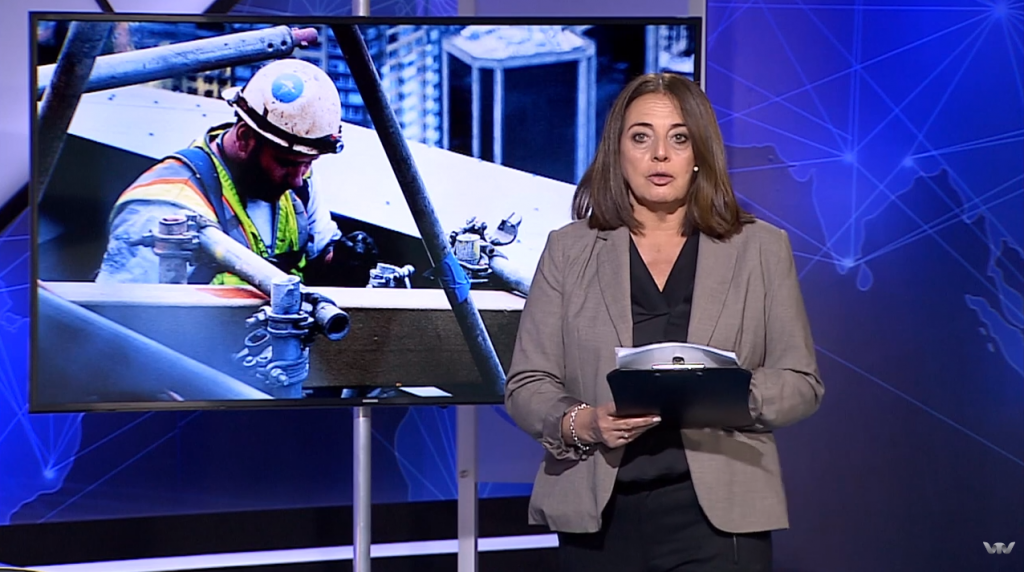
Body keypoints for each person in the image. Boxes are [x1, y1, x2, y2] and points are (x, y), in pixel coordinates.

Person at [504, 72, 824, 572]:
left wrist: (729, 395)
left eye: (679, 138)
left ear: (700, 153)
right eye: (641, 137)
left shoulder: (760, 248)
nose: (660, 155)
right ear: (617, 151)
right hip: (598, 515)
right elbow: (527, 384)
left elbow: (801, 382)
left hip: (719, 521)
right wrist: (585, 422)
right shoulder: (568, 249)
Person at [95, 58, 377, 287]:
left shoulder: (298, 182)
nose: (297, 178)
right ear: (243, 138)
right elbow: (121, 320)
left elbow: (319, 253)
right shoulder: (165, 205)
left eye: (308, 163)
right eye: (287, 163)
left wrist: (342, 262)